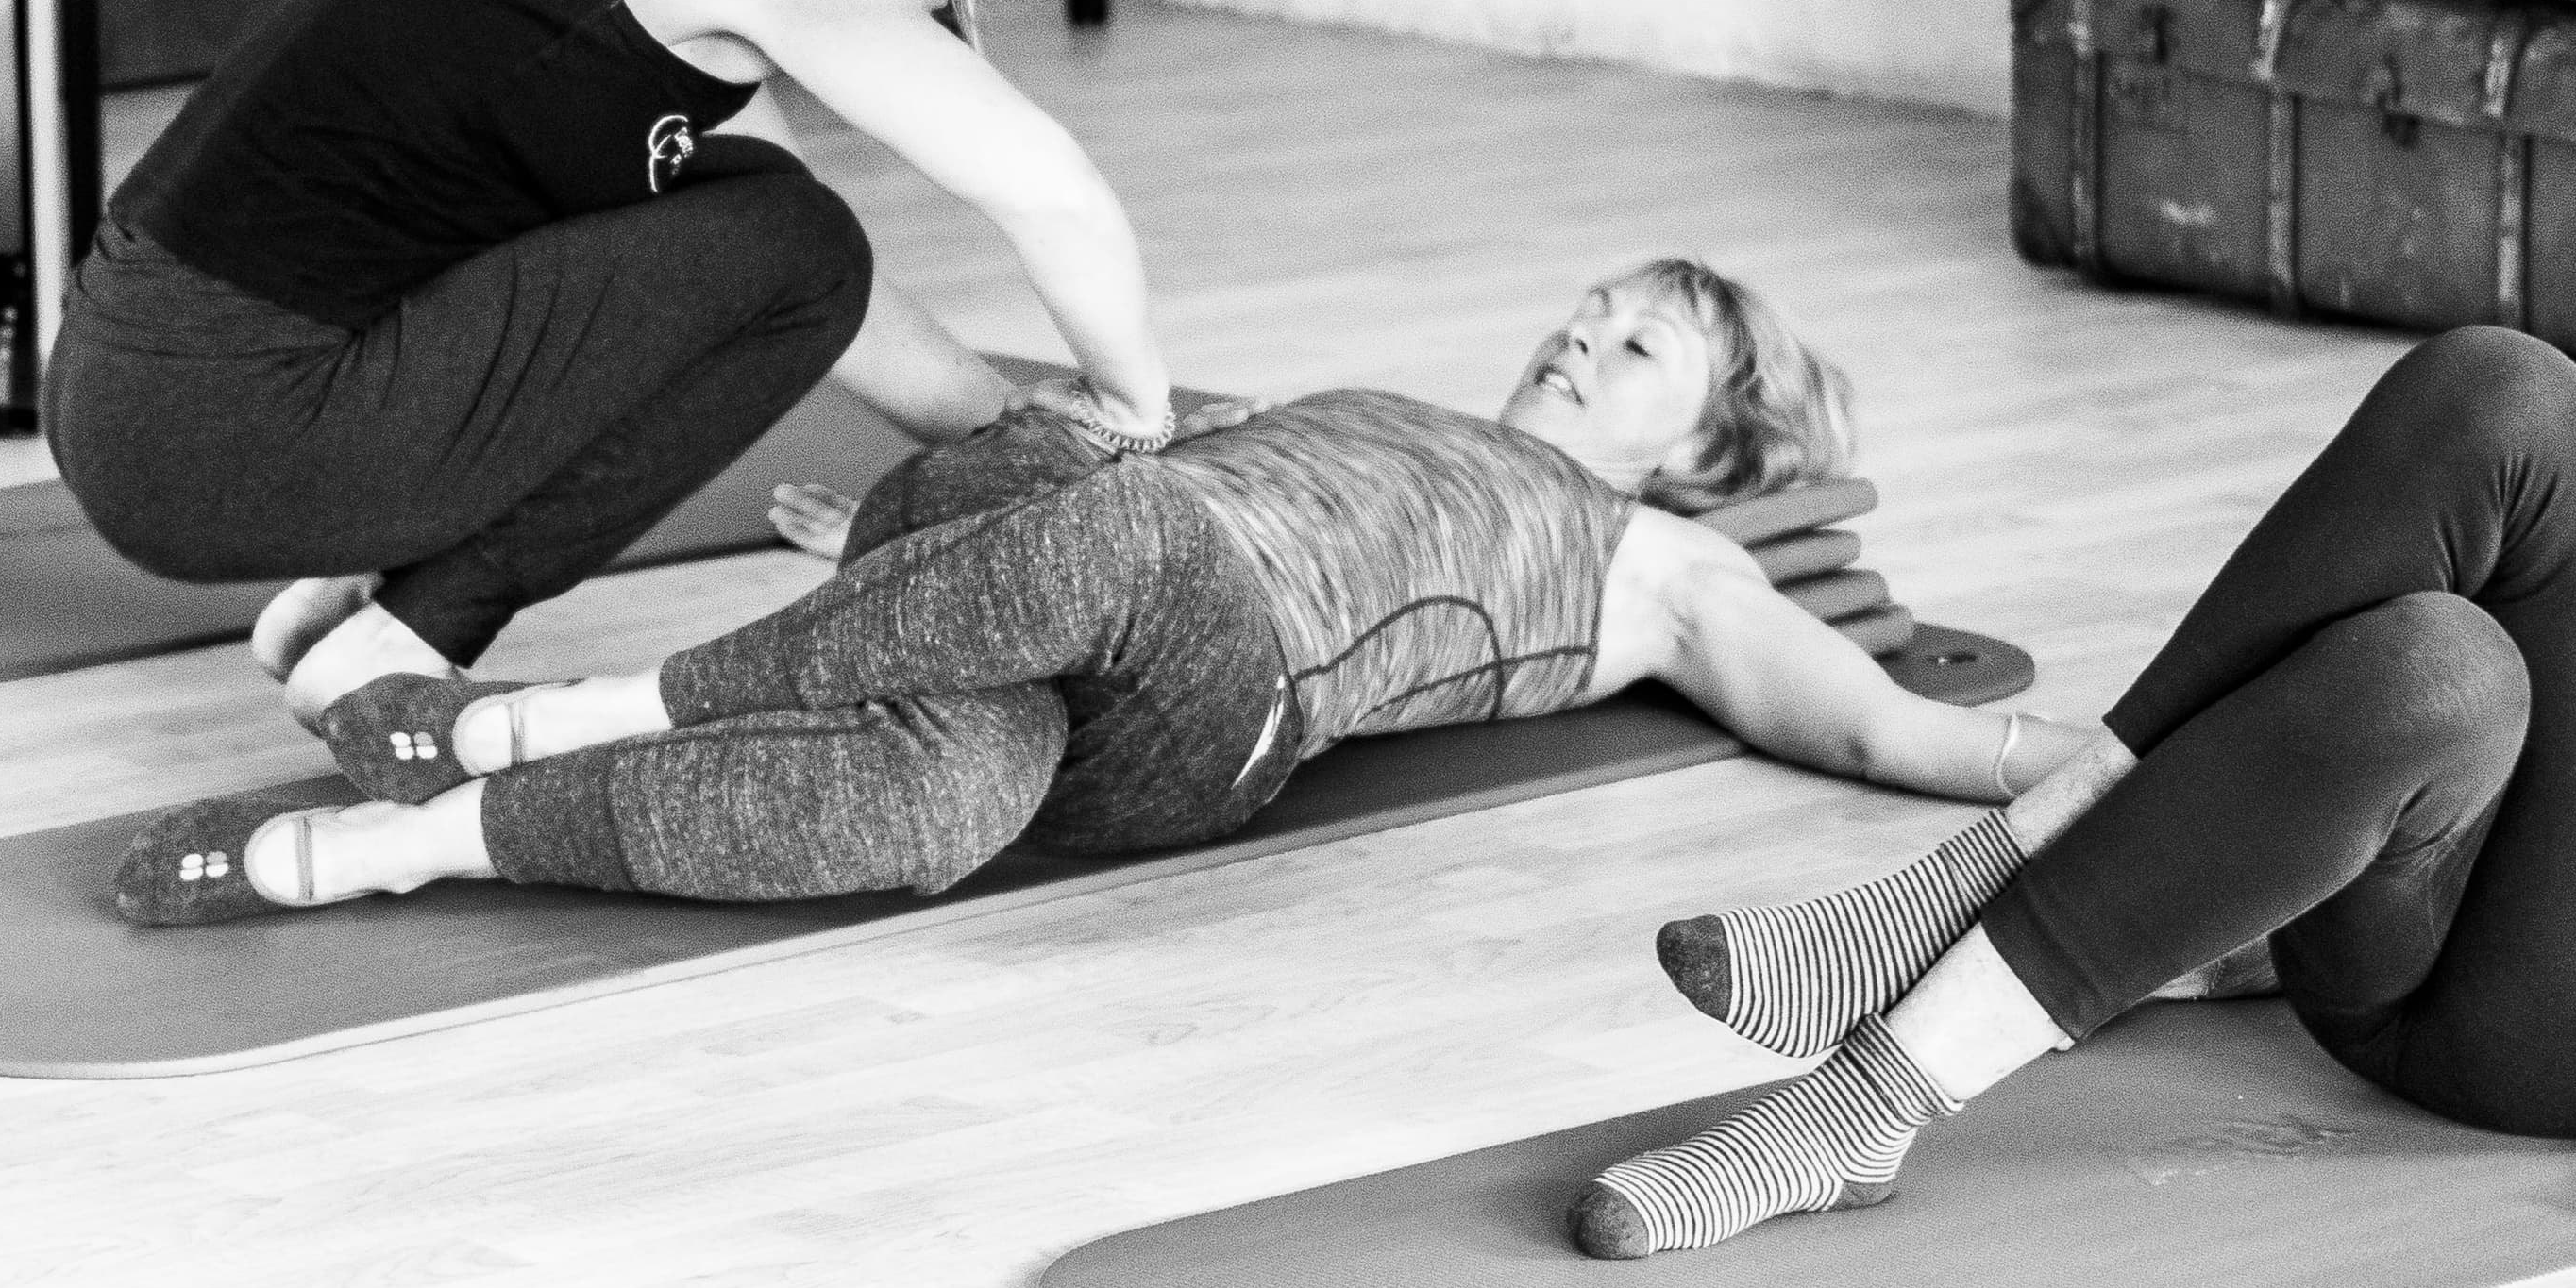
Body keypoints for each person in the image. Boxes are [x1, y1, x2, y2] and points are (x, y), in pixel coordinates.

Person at [111, 257, 2093, 922]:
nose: (1580, 343)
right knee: (945, 789)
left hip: (1208, 705)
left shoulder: (1664, 562)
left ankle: (491, 726)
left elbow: (1873, 717)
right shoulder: (1369, 397)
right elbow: (1080, 430)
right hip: (1044, 597)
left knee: (1136, 516)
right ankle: (404, 841)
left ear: (1705, 444)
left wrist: (2107, 754)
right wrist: (931, 522)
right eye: (1587, 312)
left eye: (1636, 348)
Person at [1574, 327, 2576, 1271]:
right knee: (2439, 663)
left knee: (2513, 401)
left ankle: (1885, 1056)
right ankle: (1930, 994)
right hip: (2395, 963)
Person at [50, 0, 1186, 725]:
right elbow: (1050, 193)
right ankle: (413, 633)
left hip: (140, 396)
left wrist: (1006, 427)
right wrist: (1139, 415)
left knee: (761, 230)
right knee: (795, 239)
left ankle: (359, 586)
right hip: (213, 420)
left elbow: (819, 301)